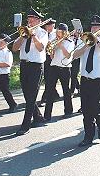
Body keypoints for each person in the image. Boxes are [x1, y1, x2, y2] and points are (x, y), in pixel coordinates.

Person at [73, 15, 100, 147]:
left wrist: (97, 42)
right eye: (92, 26)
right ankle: (88, 136)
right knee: (86, 109)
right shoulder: (85, 40)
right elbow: (74, 55)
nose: (94, 28)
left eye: (97, 26)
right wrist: (86, 45)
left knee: (95, 106)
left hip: (99, 80)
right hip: (85, 79)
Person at [13, 8, 48, 136]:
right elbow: (15, 48)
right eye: (29, 19)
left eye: (32, 19)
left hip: (36, 66)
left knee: (32, 95)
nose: (30, 21)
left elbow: (40, 48)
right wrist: (23, 37)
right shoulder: (23, 32)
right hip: (24, 65)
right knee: (27, 94)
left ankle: (26, 125)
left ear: (38, 20)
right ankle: (38, 116)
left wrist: (33, 36)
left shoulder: (42, 33)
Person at [44, 23, 74, 120]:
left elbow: (68, 56)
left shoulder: (70, 42)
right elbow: (52, 56)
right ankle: (47, 114)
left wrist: (61, 45)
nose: (57, 34)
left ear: (64, 33)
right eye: (57, 32)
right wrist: (51, 50)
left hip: (65, 68)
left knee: (66, 90)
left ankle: (68, 111)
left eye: (59, 32)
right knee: (49, 90)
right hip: (54, 66)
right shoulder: (55, 41)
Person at [39, 18, 58, 107]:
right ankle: (55, 94)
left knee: (49, 79)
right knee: (47, 78)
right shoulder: (44, 33)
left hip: (52, 57)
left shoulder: (57, 33)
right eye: (46, 26)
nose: (47, 28)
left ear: (53, 25)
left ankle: (44, 98)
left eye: (49, 26)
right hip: (45, 57)